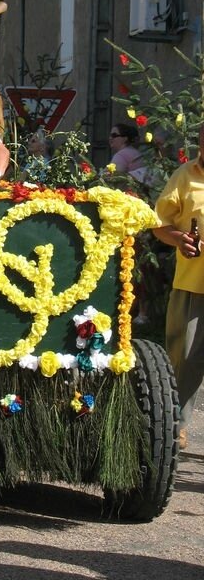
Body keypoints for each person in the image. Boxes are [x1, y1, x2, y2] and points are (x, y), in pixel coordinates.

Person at [153, 123, 204, 451]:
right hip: (193, 284)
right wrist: (178, 240)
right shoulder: (185, 176)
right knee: (183, 358)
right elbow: (159, 223)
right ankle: (176, 425)